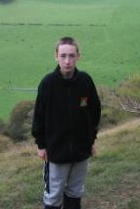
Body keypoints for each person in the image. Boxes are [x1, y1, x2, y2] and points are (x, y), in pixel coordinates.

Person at [32, 36, 101, 209]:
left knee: (75, 192)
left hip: (81, 151)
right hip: (56, 153)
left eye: (71, 55)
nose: (67, 61)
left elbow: (94, 113)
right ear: (56, 56)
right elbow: (39, 116)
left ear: (79, 56)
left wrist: (91, 141)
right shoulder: (48, 84)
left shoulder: (85, 81)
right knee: (53, 197)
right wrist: (41, 145)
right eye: (63, 56)